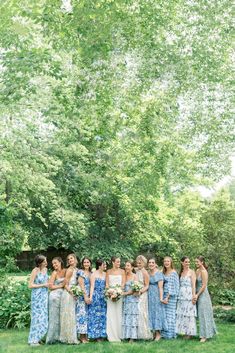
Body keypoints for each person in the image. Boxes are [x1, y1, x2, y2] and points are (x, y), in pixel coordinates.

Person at [194, 256, 217, 342]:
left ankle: (204, 336)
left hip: (203, 295)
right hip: (197, 293)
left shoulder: (204, 272)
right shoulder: (197, 271)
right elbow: (195, 282)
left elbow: (204, 286)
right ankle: (204, 333)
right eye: (195, 262)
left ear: (202, 262)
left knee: (204, 314)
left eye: (197, 262)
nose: (196, 263)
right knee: (200, 315)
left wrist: (197, 295)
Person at [28, 254, 49, 346]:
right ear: (40, 263)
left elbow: (48, 282)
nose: (46, 262)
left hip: (44, 296)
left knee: (43, 317)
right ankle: (33, 340)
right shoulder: (35, 271)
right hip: (37, 297)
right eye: (44, 261)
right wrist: (43, 285)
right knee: (36, 318)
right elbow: (30, 285)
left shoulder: (46, 270)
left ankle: (39, 337)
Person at [175, 256, 197, 338]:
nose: (188, 263)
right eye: (186, 262)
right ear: (182, 263)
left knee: (189, 314)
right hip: (181, 295)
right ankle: (184, 331)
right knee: (182, 313)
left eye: (188, 262)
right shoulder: (180, 272)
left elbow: (193, 285)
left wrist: (194, 296)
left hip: (189, 295)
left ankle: (189, 333)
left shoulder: (192, 272)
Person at [60, 253, 79, 344]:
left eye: (71, 258)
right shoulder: (69, 270)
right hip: (68, 294)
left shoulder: (76, 270)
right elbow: (65, 285)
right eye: (68, 259)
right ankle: (69, 338)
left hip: (74, 293)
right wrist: (72, 293)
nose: (70, 260)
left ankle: (71, 336)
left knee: (72, 315)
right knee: (69, 315)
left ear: (75, 259)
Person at [46, 257, 66, 344]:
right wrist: (60, 286)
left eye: (56, 263)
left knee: (62, 316)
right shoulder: (54, 273)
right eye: (53, 264)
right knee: (54, 317)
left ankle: (62, 337)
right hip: (54, 296)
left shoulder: (65, 271)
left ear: (60, 262)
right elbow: (50, 287)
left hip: (63, 296)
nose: (54, 265)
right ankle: (52, 338)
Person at [106, 256, 125, 342]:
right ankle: (111, 335)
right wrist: (110, 293)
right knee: (111, 314)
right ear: (113, 262)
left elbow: (123, 284)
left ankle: (119, 334)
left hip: (119, 295)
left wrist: (117, 293)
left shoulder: (122, 271)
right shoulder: (108, 271)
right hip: (110, 296)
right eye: (117, 262)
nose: (119, 263)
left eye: (119, 262)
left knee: (118, 313)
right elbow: (107, 284)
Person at [148, 258, 167, 341]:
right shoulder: (148, 273)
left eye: (153, 262)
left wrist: (161, 298)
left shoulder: (159, 274)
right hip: (149, 295)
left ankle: (158, 334)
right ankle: (153, 333)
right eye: (149, 262)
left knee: (157, 313)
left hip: (156, 295)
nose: (151, 264)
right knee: (151, 313)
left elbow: (160, 287)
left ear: (155, 264)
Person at [88, 259, 107, 341]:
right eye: (104, 265)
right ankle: (96, 335)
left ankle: (102, 334)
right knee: (95, 316)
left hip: (104, 297)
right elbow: (92, 286)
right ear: (99, 265)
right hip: (96, 296)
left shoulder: (106, 274)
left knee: (103, 316)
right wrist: (91, 297)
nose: (105, 266)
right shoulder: (94, 274)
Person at [161, 256, 179, 339]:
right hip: (164, 295)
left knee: (170, 315)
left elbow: (174, 286)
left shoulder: (173, 273)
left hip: (171, 297)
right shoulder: (163, 272)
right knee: (164, 315)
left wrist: (167, 297)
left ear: (171, 262)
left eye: (168, 261)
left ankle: (170, 334)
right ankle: (164, 333)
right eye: (165, 261)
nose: (166, 263)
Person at [135, 255, 152, 340]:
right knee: (137, 312)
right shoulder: (137, 271)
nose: (139, 264)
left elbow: (147, 285)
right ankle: (137, 334)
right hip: (136, 294)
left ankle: (144, 334)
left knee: (142, 312)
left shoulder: (145, 272)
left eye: (140, 263)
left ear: (144, 263)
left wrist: (141, 291)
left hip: (143, 294)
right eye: (138, 263)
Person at [122, 261, 139, 342]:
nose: (126, 267)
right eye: (125, 265)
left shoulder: (135, 276)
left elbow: (134, 289)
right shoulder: (123, 276)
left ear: (132, 267)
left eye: (128, 265)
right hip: (125, 300)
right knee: (126, 317)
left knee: (132, 317)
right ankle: (126, 335)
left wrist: (124, 293)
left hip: (132, 299)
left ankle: (132, 337)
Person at [76, 257, 92, 343]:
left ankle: (86, 336)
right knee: (82, 315)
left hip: (89, 296)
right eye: (84, 262)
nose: (86, 264)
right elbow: (81, 285)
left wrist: (90, 297)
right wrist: (85, 296)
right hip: (82, 296)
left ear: (90, 263)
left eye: (88, 262)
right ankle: (82, 337)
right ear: (82, 264)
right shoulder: (80, 272)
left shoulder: (91, 273)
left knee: (87, 316)